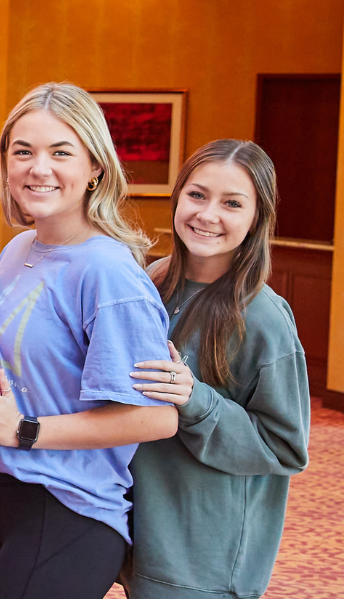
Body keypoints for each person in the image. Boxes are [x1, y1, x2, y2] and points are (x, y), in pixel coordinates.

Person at [0, 82, 180, 599]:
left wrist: (25, 430)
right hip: (1, 502)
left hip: (65, 510)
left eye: (61, 152)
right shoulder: (20, 247)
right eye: (22, 151)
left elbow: (156, 417)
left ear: (95, 166)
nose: (38, 167)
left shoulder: (108, 273)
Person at [125, 139, 310, 599]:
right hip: (141, 537)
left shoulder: (263, 318)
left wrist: (196, 399)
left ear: (256, 218)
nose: (208, 215)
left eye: (232, 203)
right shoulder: (150, 281)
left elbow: (285, 448)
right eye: (197, 195)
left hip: (203, 566)